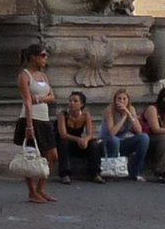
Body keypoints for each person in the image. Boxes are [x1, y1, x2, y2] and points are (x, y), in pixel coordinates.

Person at [16, 42, 57, 205]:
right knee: (31, 155)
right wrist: (29, 125)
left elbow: (52, 96)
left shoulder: (44, 76)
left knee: (52, 155)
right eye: (42, 55)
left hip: (44, 118)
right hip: (31, 118)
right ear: (33, 57)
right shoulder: (24, 76)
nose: (45, 59)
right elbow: (27, 101)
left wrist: (39, 98)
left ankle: (40, 188)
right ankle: (32, 191)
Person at [101, 88, 149, 184]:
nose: (121, 101)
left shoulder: (131, 109)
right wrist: (123, 117)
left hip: (122, 142)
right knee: (115, 140)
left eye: (124, 99)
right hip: (107, 142)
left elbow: (139, 130)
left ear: (128, 101)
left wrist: (128, 113)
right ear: (115, 100)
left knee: (144, 138)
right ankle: (112, 171)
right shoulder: (109, 110)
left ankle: (137, 172)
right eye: (119, 99)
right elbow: (112, 133)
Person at [55, 92, 103, 184]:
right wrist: (78, 139)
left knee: (94, 144)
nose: (71, 103)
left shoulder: (85, 115)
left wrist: (85, 140)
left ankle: (95, 173)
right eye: (70, 101)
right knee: (64, 143)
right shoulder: (62, 115)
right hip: (66, 142)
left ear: (81, 104)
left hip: (78, 143)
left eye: (75, 101)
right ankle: (65, 174)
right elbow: (63, 134)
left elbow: (90, 134)